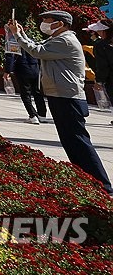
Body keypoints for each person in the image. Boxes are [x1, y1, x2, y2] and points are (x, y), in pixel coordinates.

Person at [17, 11, 112, 194]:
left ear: (60, 24)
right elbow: (38, 46)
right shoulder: (56, 39)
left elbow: (37, 52)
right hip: (60, 95)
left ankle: (103, 185)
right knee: (70, 141)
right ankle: (85, 180)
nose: (43, 23)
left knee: (78, 141)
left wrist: (18, 35)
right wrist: (22, 34)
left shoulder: (65, 40)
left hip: (68, 97)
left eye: (47, 21)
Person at [5, 47, 47, 124]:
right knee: (37, 91)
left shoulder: (13, 42)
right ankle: (42, 114)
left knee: (25, 93)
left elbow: (10, 56)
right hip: (35, 67)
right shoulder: (30, 40)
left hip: (22, 68)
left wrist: (7, 71)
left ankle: (33, 115)